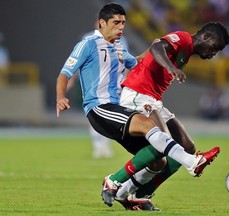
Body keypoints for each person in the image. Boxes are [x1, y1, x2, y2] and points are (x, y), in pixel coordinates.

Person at [56, 2, 219, 210]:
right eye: (116, 22)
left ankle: (125, 195)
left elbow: (137, 62)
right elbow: (65, 73)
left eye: (123, 22)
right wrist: (61, 96)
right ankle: (189, 163)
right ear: (101, 23)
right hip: (100, 108)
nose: (121, 27)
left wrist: (151, 48)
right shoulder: (87, 44)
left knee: (157, 159)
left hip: (118, 109)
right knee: (147, 126)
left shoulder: (120, 48)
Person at [110, 22, 229, 210]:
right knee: (163, 144)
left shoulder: (187, 50)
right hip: (138, 94)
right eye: (215, 47)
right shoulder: (183, 39)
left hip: (153, 100)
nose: (214, 53)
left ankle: (142, 192)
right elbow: (157, 47)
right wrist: (171, 68)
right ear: (206, 37)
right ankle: (115, 182)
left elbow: (154, 47)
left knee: (188, 146)